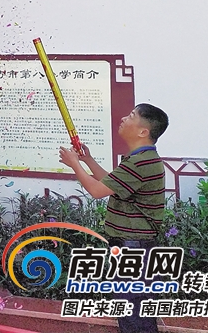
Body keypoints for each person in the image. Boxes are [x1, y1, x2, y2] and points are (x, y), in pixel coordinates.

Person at [59, 103, 169, 333]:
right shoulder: (140, 159)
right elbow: (110, 184)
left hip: (135, 248)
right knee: (133, 309)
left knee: (133, 313)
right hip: (132, 246)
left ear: (143, 131)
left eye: (131, 116)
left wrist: (75, 164)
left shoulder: (142, 162)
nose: (124, 118)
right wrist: (87, 160)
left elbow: (97, 191)